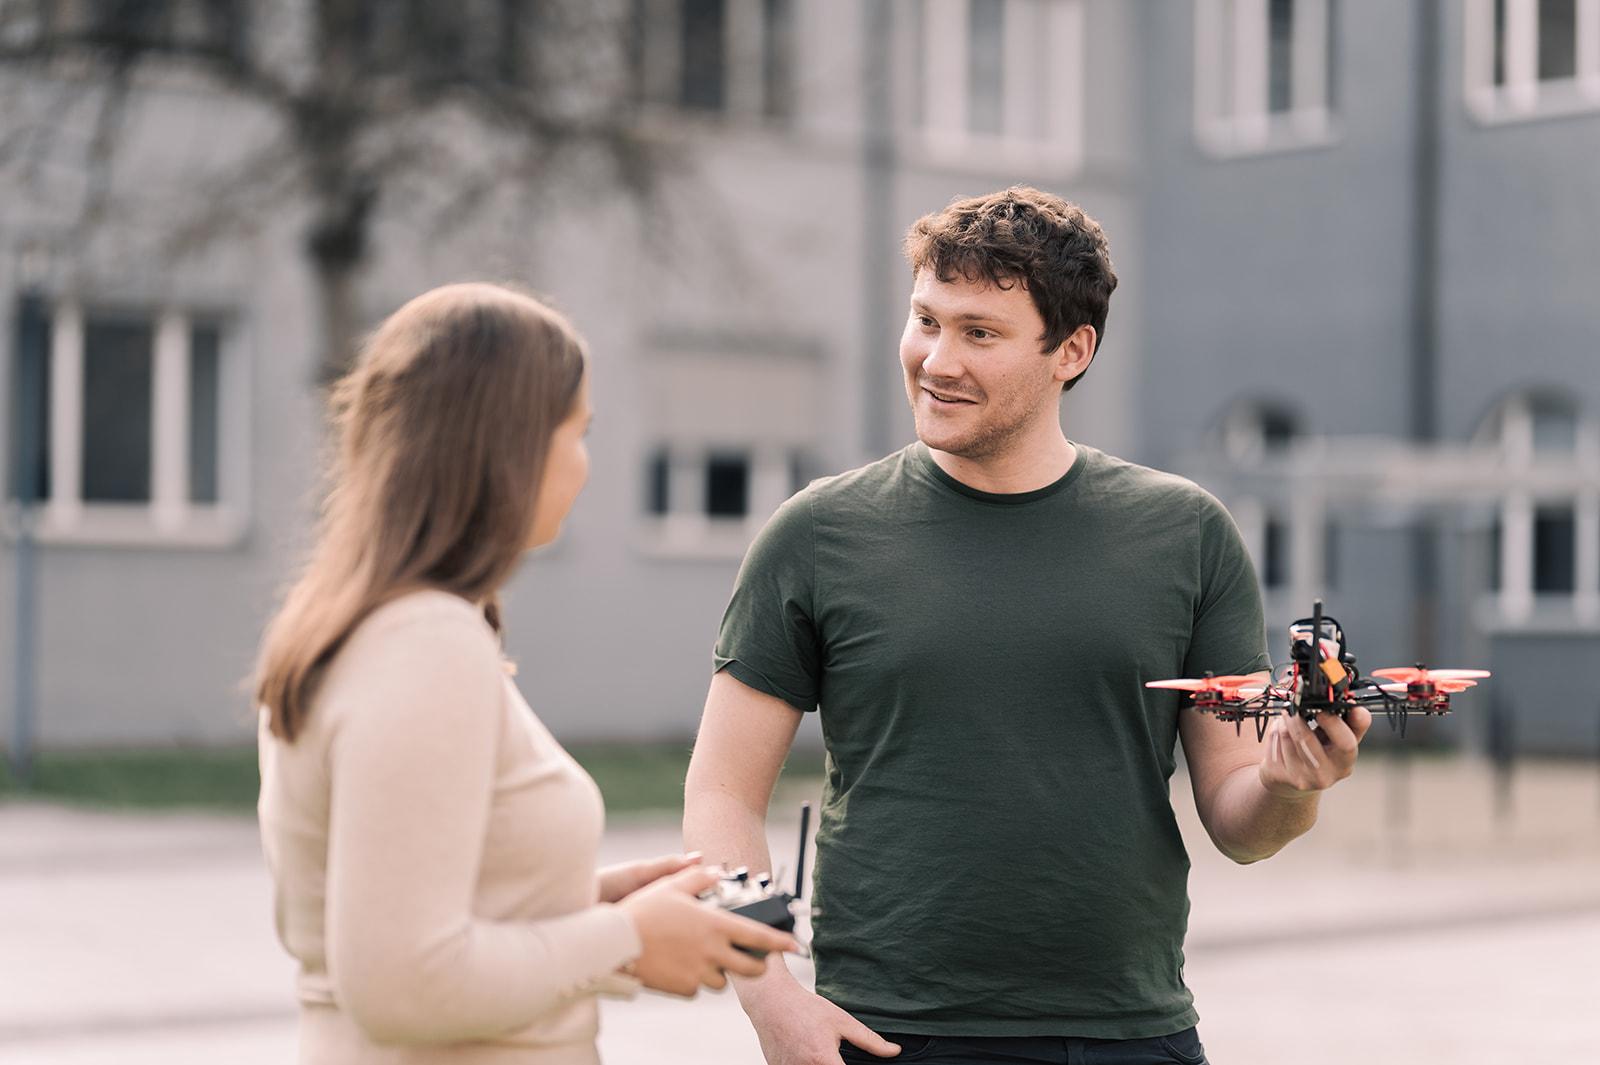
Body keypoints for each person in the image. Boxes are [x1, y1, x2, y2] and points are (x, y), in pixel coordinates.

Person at [683, 187, 1371, 1065]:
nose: (936, 359)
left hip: (1131, 1033)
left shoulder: (1187, 536)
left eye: (979, 332)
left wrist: (1294, 783)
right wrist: (771, 1000)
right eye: (925, 319)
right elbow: (720, 797)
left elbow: (1242, 821)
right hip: (888, 1032)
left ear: (1071, 351)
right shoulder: (816, 534)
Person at [254, 282, 796, 1065]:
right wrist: (628, 937)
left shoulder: (368, 623)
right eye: (576, 432)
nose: (583, 463)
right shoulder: (422, 644)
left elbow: (411, 906)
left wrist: (590, 902)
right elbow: (399, 980)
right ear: (506, 447)